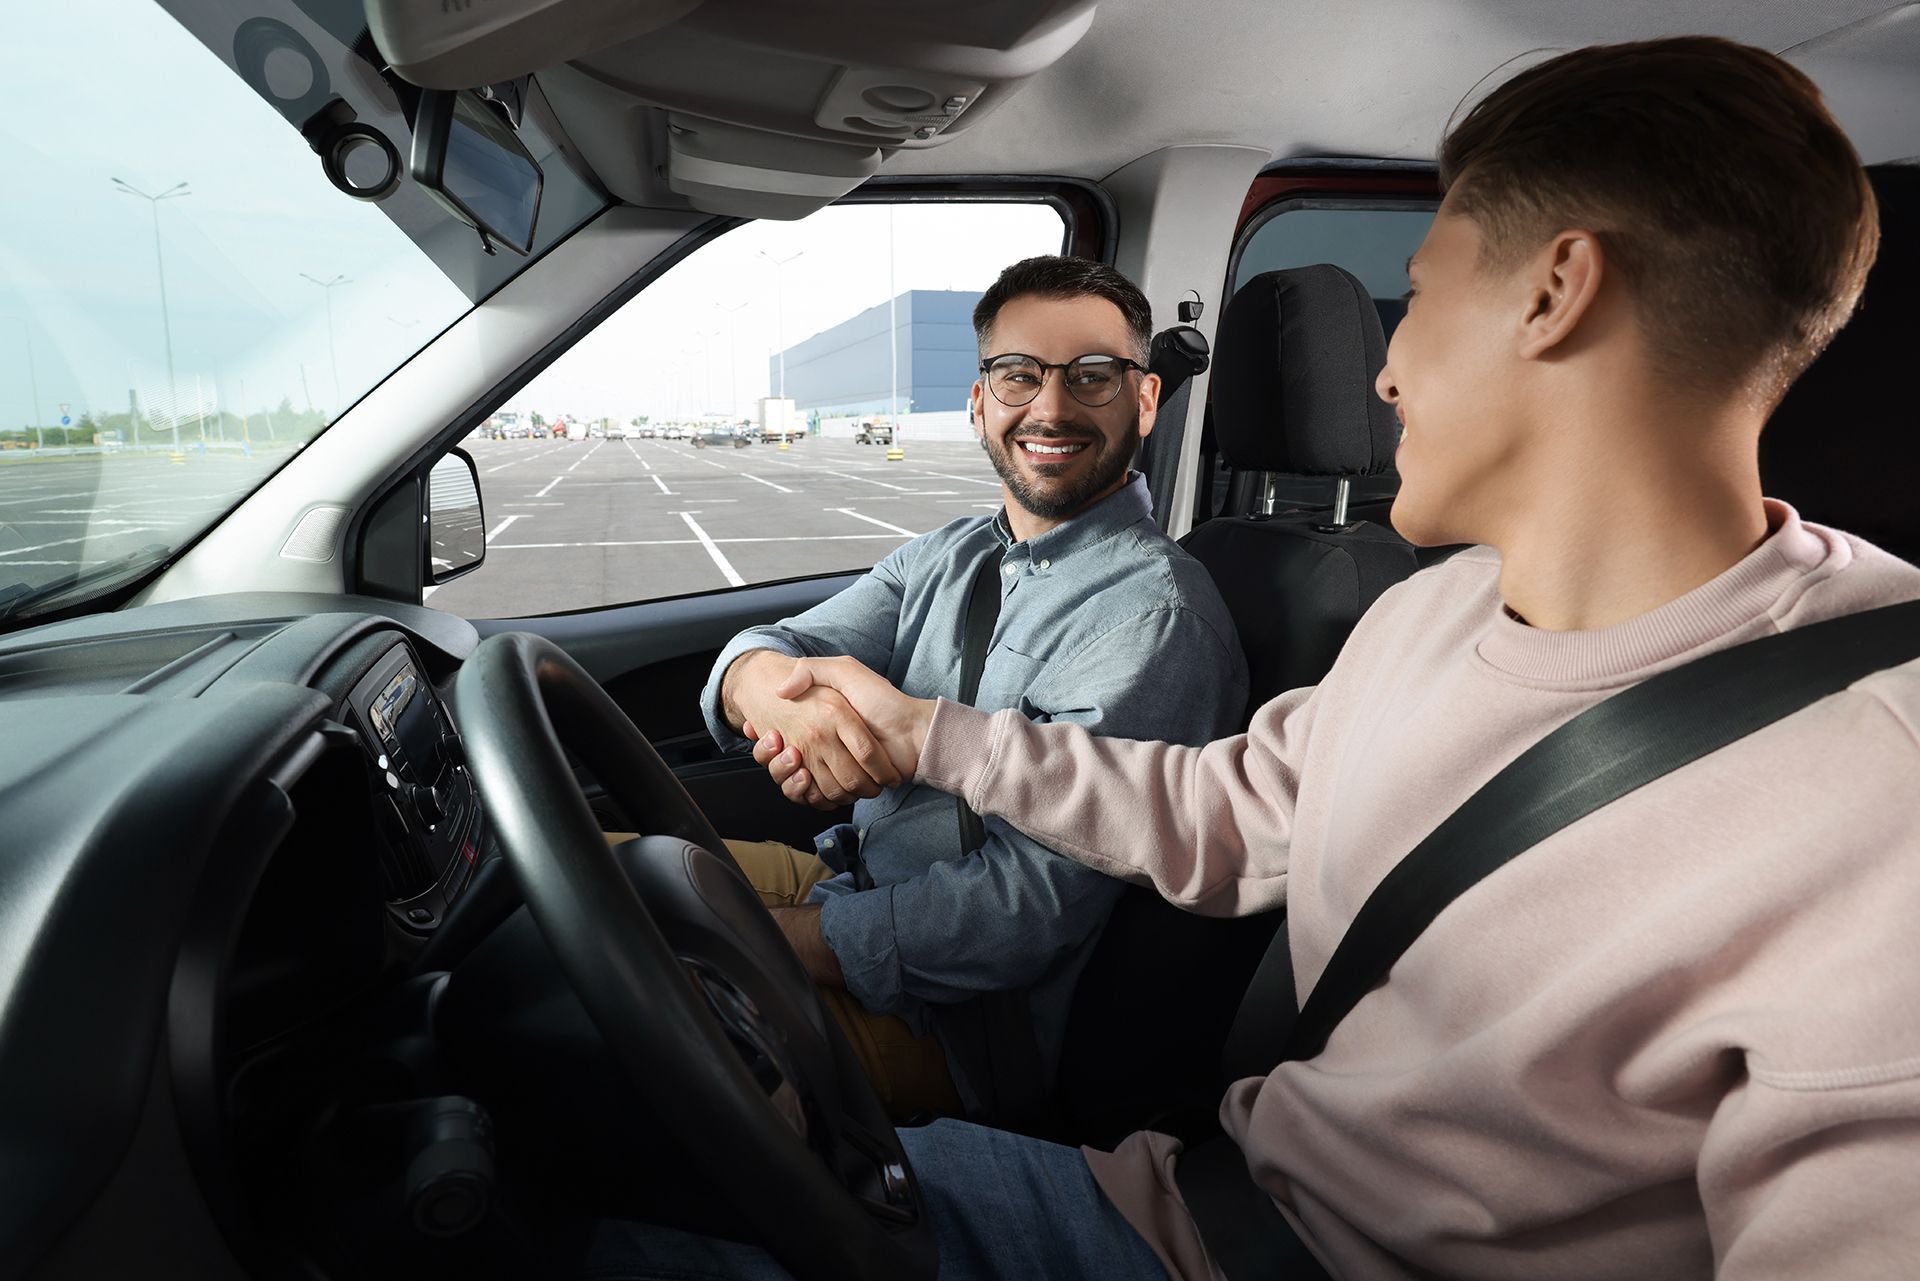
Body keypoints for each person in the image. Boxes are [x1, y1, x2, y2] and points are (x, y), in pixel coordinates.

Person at [632, 35, 1920, 1281]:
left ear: (1554, 290)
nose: (1388, 375)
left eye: (1419, 296)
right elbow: (1228, 814)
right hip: (1194, 1202)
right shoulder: (1439, 610)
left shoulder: (1882, 787)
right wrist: (926, 738)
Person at [697, 255, 1248, 1119]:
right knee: (590, 872)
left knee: (614, 1031)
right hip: (850, 885)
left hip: (957, 1029)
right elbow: (788, 644)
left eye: (1093, 376)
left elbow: (1020, 913)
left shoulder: (1154, 617)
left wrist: (774, 939)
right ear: (979, 400)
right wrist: (760, 688)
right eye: (1019, 374)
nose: (1052, 406)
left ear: (1144, 401)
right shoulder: (947, 553)